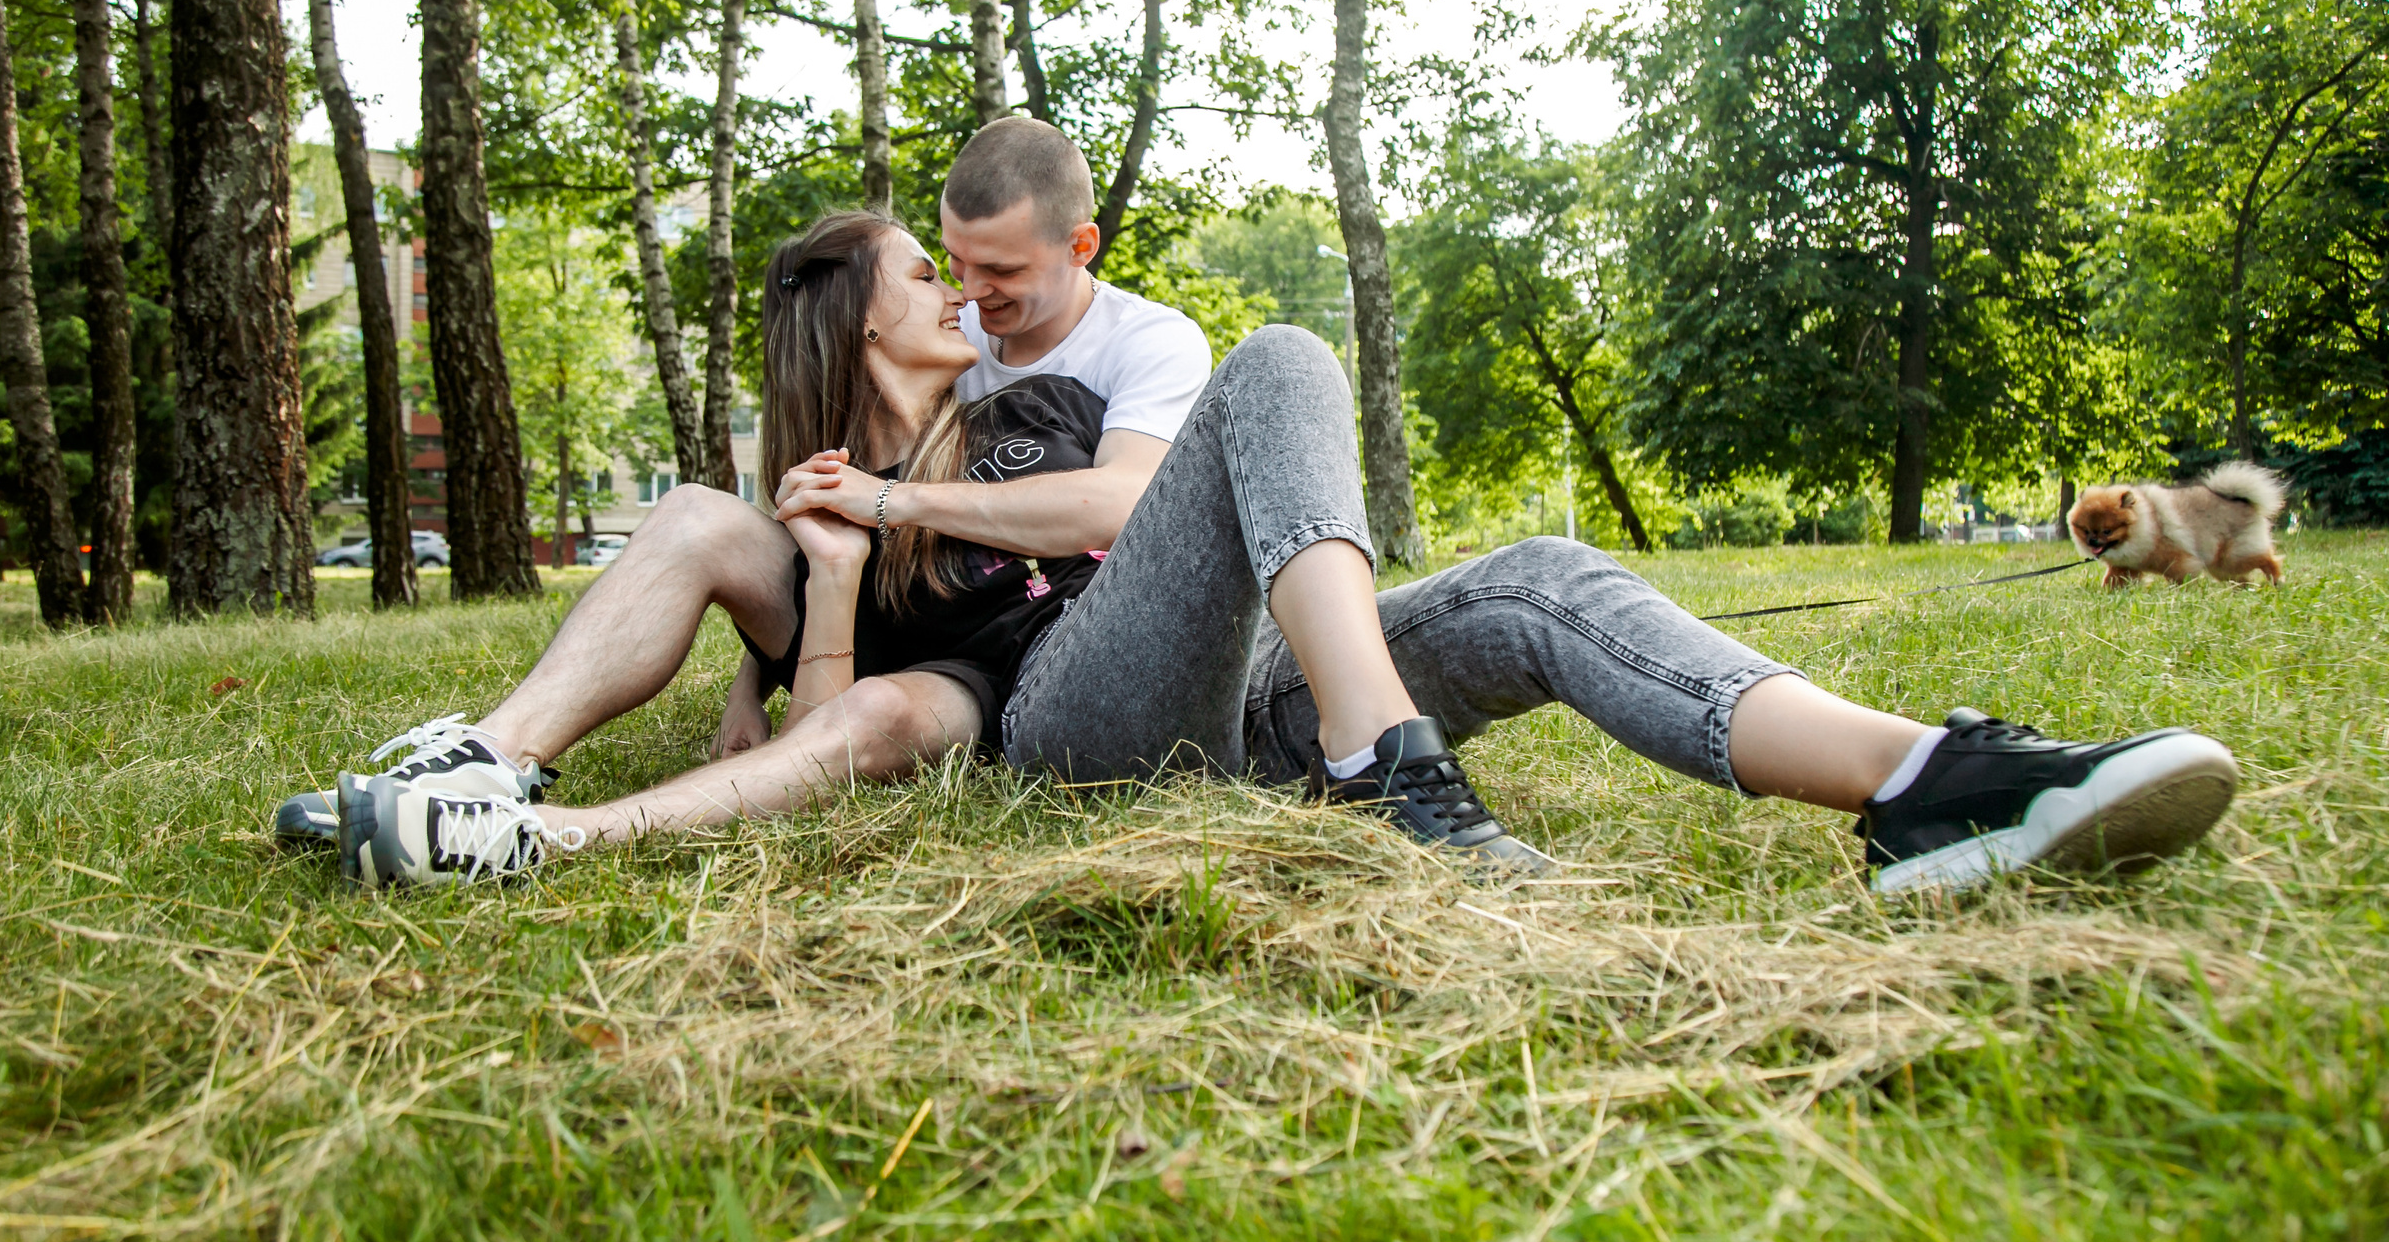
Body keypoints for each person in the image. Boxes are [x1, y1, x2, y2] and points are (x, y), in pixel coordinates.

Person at [300, 122, 2242, 899]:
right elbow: (821, 725)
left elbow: (1144, 505)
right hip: (1075, 720)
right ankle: (485, 779)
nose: (965, 303)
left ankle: (1929, 785)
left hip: (1235, 676)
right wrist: (821, 557)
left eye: (977, 277)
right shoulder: (822, 469)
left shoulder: (1054, 384)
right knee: (1271, 377)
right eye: (933, 281)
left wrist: (900, 479)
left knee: (1523, 558)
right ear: (875, 313)